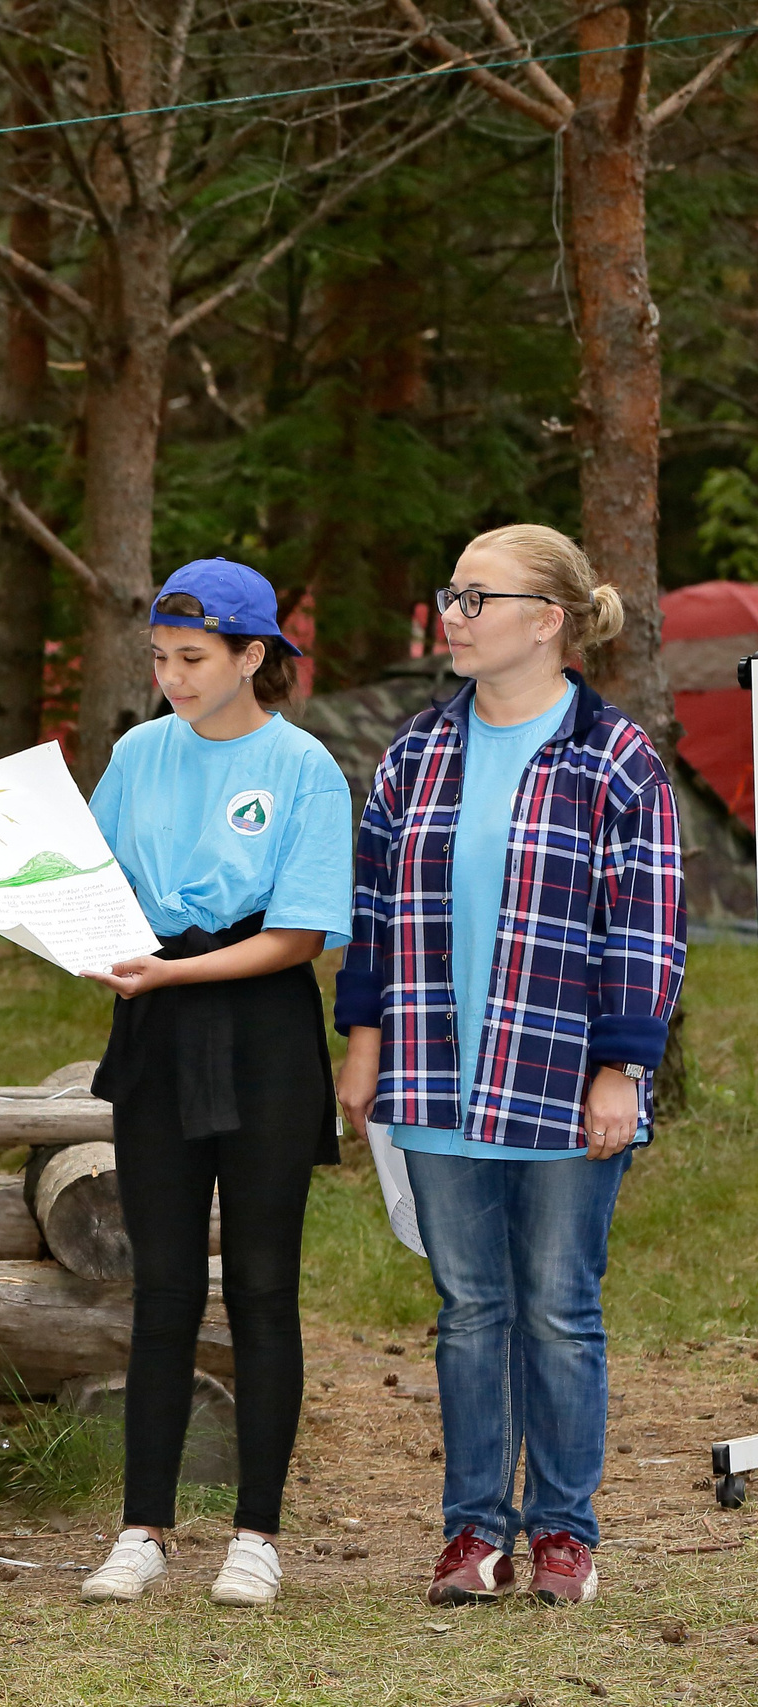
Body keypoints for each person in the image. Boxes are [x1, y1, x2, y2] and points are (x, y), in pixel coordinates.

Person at [335, 524, 682, 1609]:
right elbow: (374, 915)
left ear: (548, 621)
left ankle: (564, 1536)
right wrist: (362, 1045)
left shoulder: (615, 759)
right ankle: (471, 1534)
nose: (451, 614)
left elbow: (647, 930)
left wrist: (620, 1067)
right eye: (450, 595)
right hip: (436, 1081)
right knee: (469, 1308)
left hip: (563, 1075)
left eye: (475, 598)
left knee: (558, 1308)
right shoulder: (414, 753)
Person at [8, 560, 354, 1610]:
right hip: (155, 1029)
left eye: (193, 658)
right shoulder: (139, 754)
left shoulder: (303, 769)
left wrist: (172, 968)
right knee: (159, 1288)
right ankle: (141, 1529)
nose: (171, 676)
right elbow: (84, 883)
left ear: (254, 657)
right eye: (160, 657)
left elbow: (296, 935)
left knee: (258, 1285)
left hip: (258, 1032)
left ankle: (256, 1534)